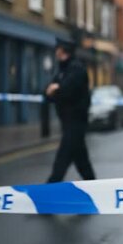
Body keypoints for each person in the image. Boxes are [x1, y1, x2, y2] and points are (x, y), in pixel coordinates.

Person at [45, 38, 96, 183]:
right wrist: (53, 90)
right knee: (82, 163)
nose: (56, 51)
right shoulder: (62, 70)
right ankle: (95, 187)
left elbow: (67, 90)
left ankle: (47, 192)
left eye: (58, 49)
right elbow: (48, 92)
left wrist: (57, 89)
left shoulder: (76, 68)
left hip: (76, 122)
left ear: (62, 51)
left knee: (61, 162)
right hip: (67, 122)